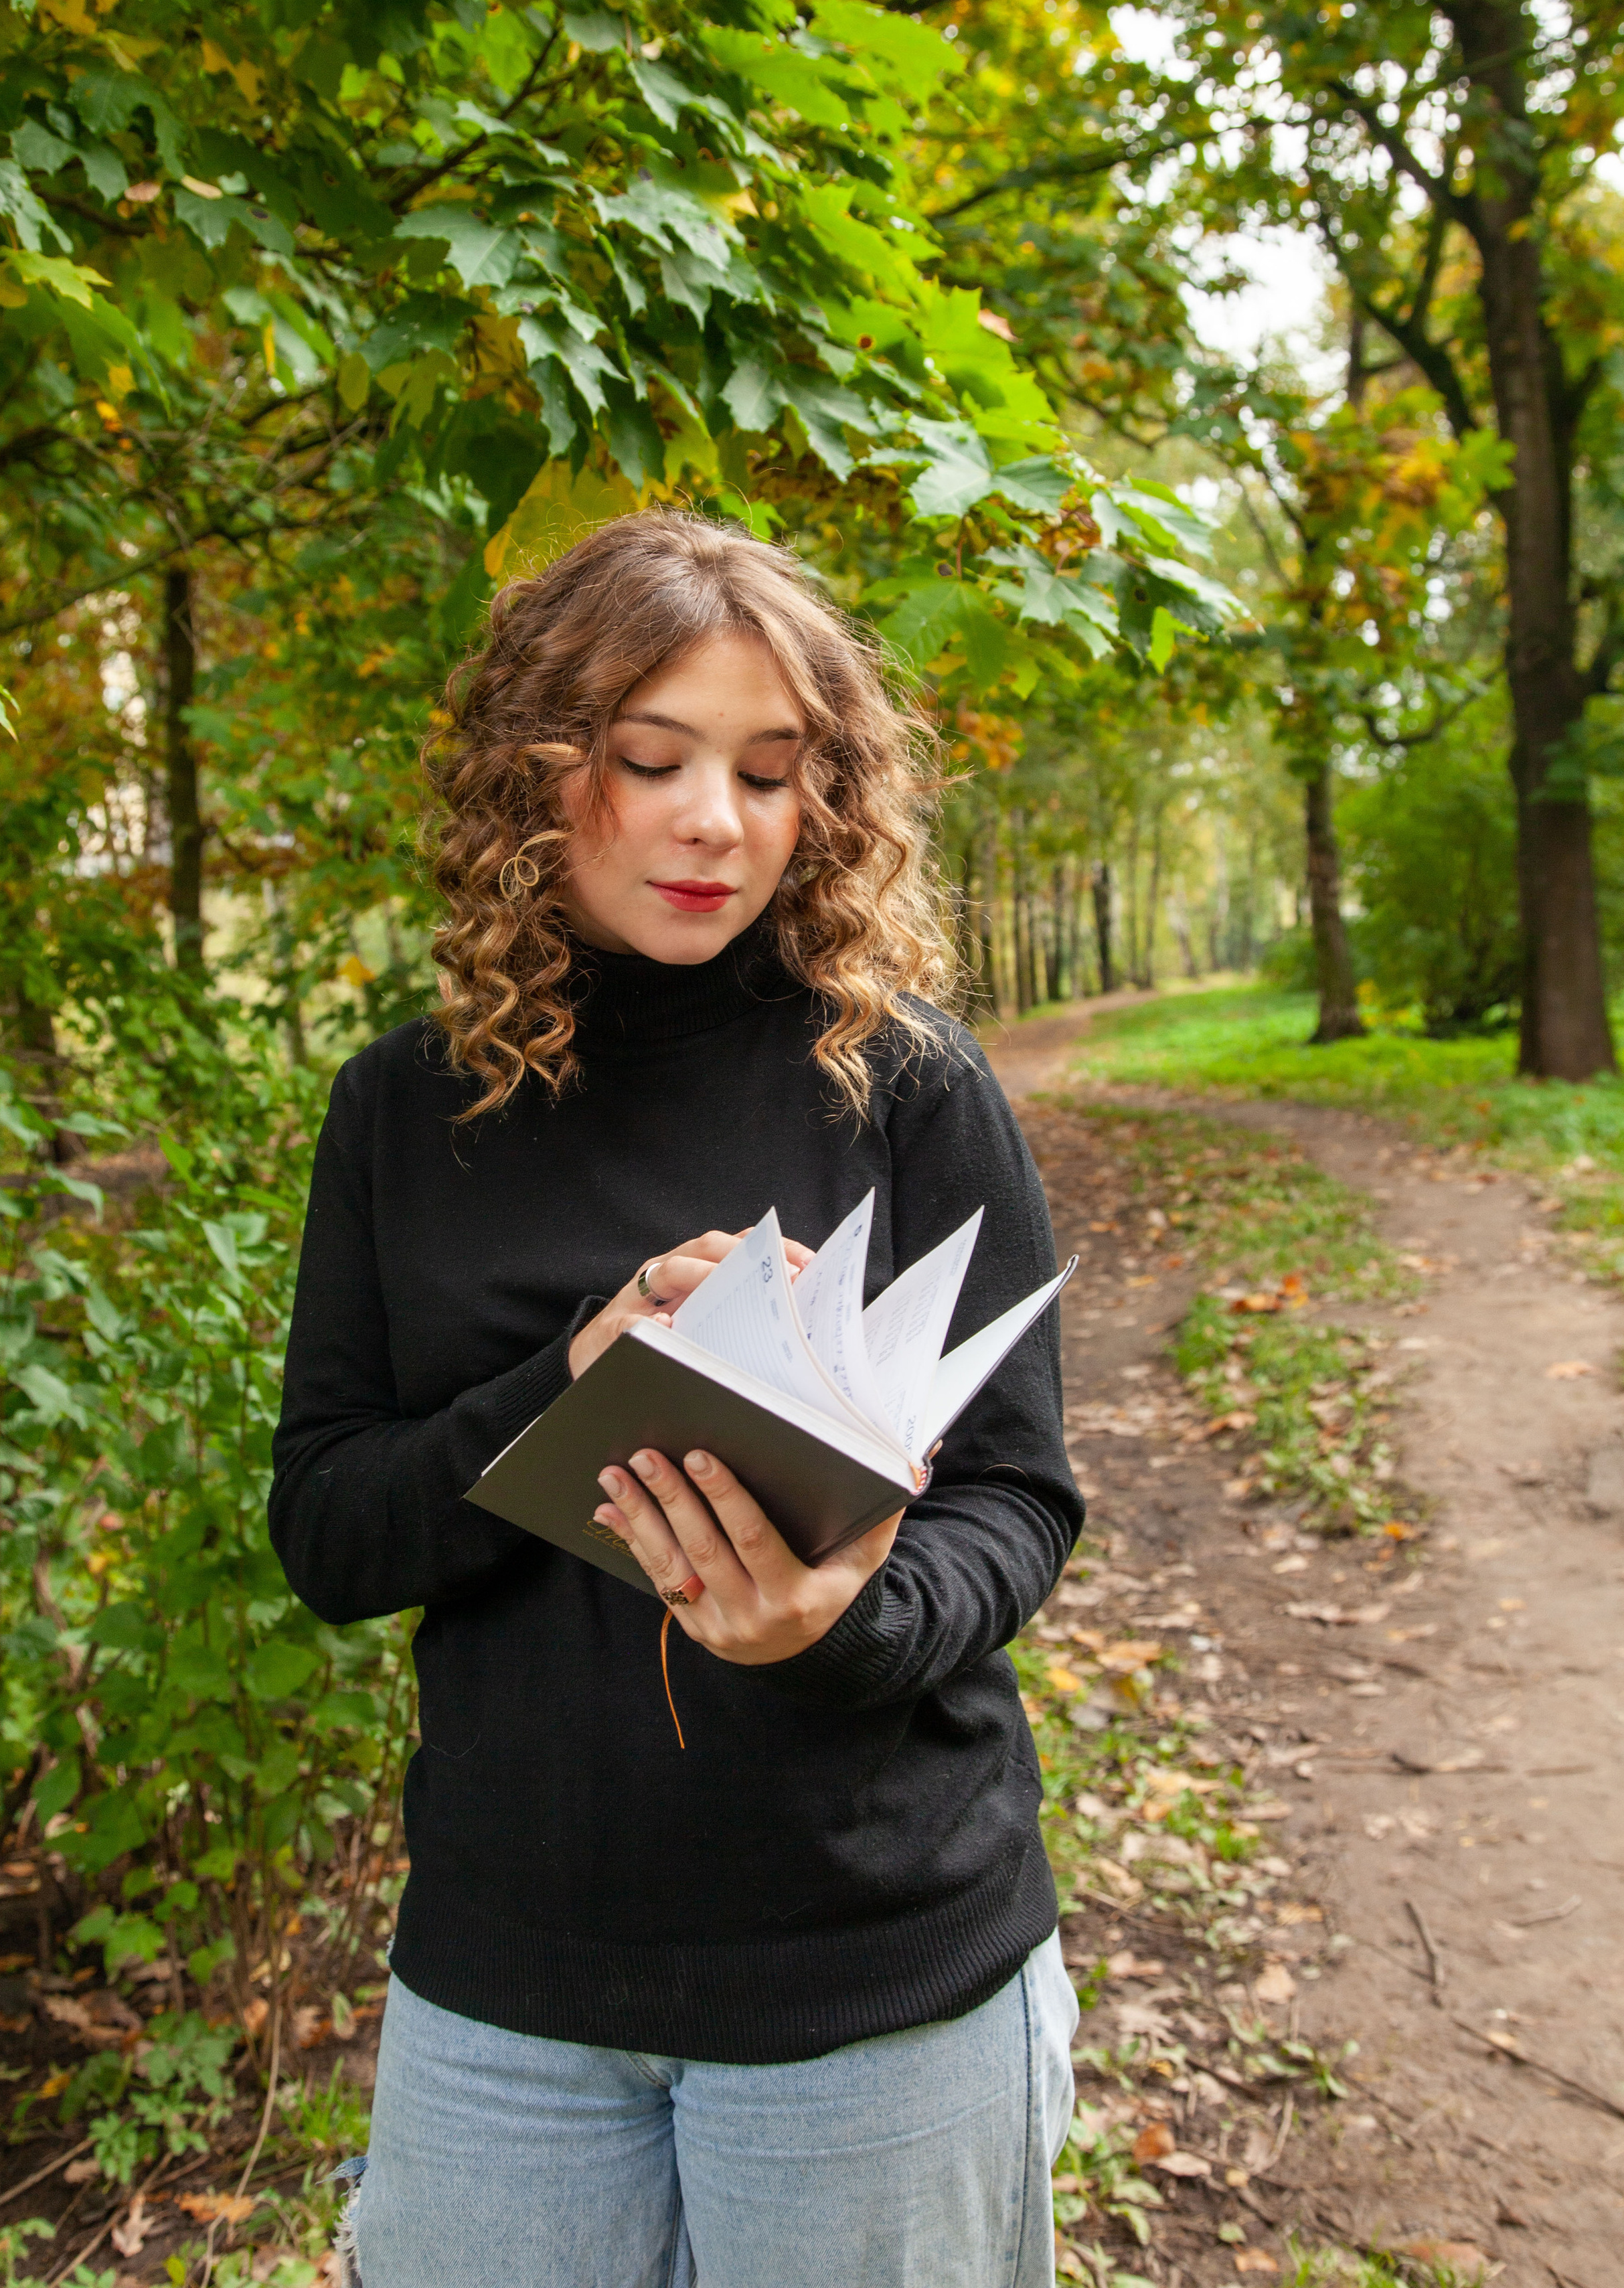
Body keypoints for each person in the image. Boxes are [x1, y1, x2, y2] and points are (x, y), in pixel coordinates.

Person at [269, 508, 1086, 2288]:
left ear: (826, 804)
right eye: (654, 760)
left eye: (772, 774)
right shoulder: (404, 1117)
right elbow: (331, 1533)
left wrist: (836, 1627)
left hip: (872, 1976)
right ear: (538, 774)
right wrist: (568, 1378)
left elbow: (1020, 1499)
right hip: (509, 1993)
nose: (717, 820)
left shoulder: (910, 1091)